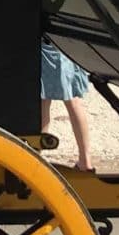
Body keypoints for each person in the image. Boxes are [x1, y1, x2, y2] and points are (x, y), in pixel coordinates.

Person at [40, 42, 94, 174]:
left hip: (45, 46)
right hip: (64, 45)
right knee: (74, 102)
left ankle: (36, 153)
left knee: (42, 102)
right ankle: (85, 160)